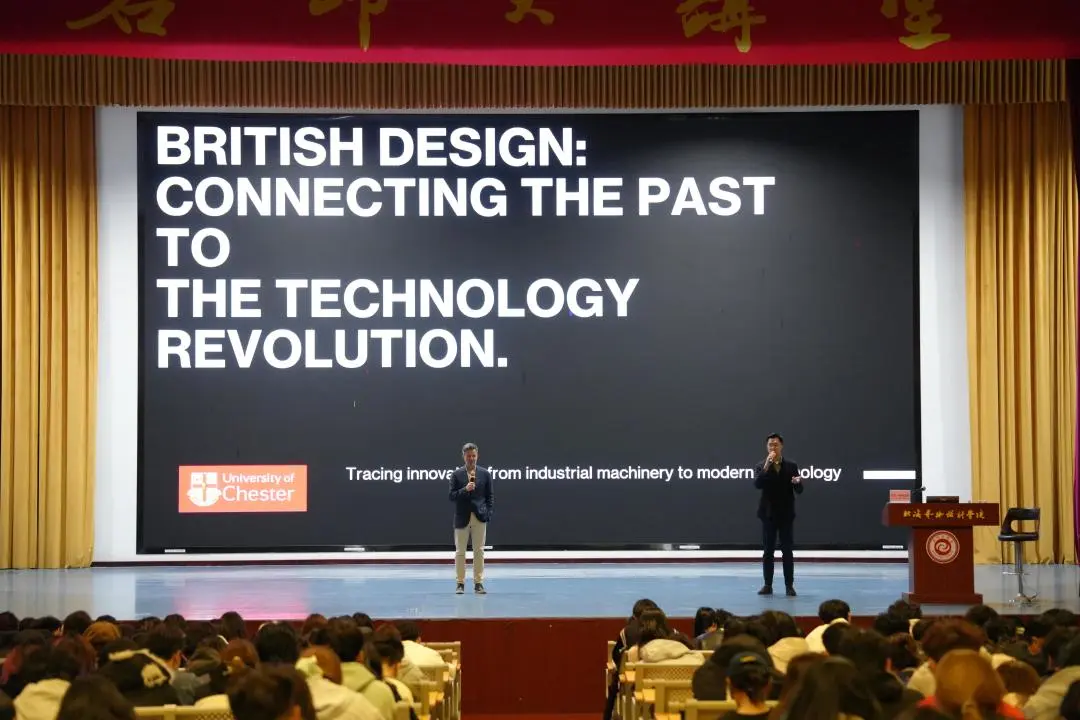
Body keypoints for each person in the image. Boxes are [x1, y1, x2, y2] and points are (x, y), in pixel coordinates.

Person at [754, 433, 803, 596]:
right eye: (770, 445)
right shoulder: (761, 465)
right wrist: (767, 466)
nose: (773, 447)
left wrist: (798, 483)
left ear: (781, 446)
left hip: (786, 514)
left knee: (787, 551)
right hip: (768, 514)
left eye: (775, 444)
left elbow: (799, 490)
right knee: (768, 551)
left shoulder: (791, 465)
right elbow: (758, 484)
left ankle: (789, 585)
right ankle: (767, 585)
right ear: (766, 447)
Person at [449, 442, 494, 595]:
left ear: (477, 456)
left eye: (474, 455)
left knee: (479, 551)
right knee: (460, 552)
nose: (471, 458)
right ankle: (460, 583)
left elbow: (490, 496)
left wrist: (488, 513)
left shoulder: (485, 474)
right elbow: (451, 496)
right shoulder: (456, 475)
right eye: (469, 456)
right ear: (464, 456)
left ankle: (478, 583)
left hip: (480, 517)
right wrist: (464, 489)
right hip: (462, 517)